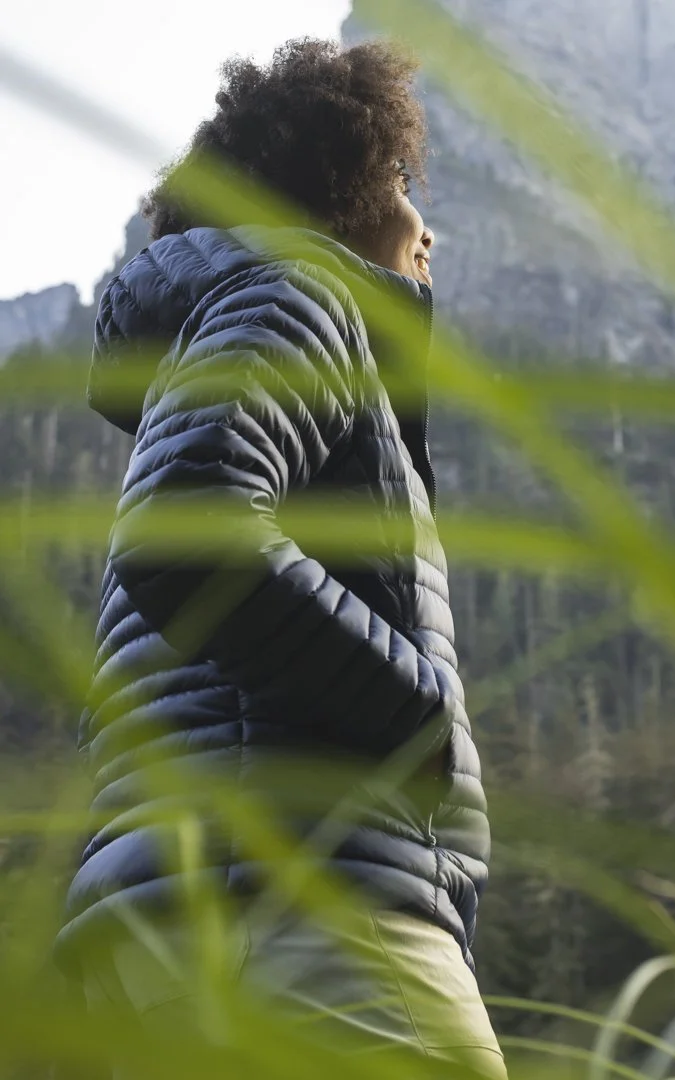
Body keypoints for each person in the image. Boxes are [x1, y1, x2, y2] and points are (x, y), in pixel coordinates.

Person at [54, 37, 505, 1079]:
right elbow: (190, 535)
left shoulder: (239, 319)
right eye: (403, 179)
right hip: (305, 906)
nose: (426, 226)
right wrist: (415, 713)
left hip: (181, 933)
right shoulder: (295, 292)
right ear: (338, 185)